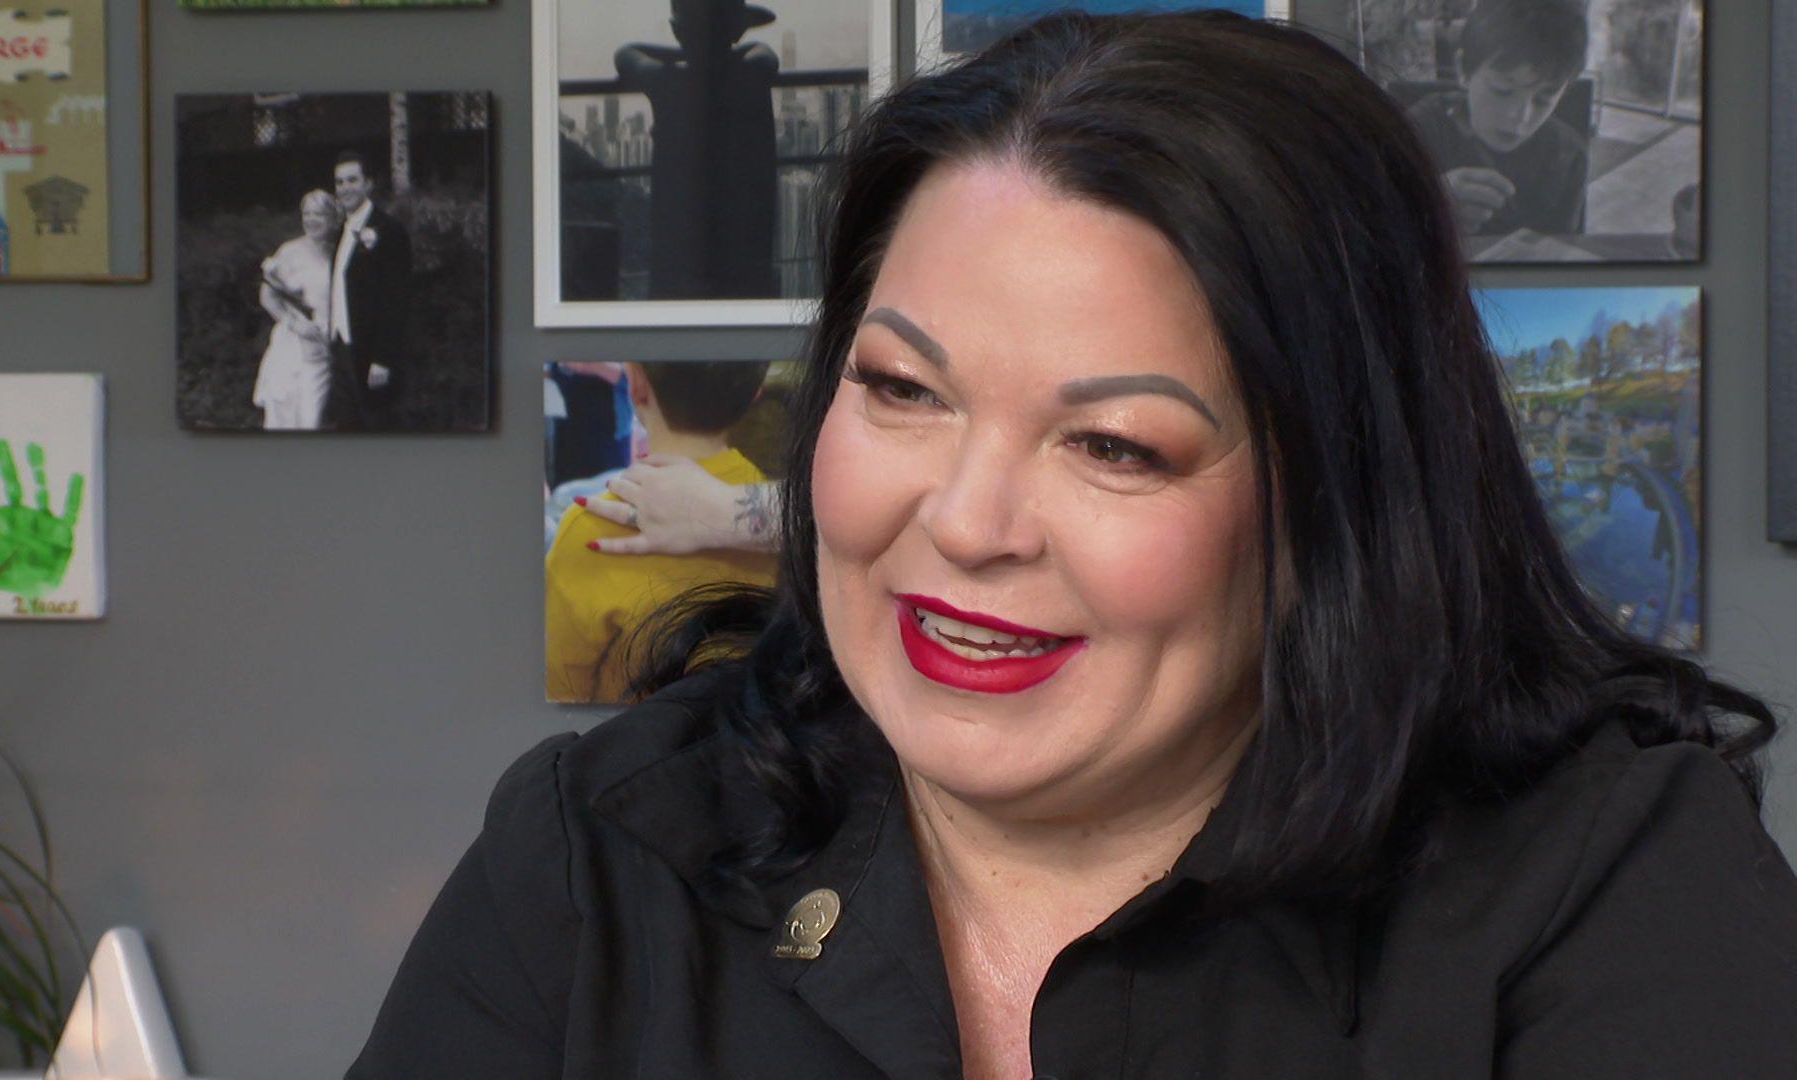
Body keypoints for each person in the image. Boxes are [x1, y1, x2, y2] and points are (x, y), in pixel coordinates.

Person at [349, 12, 1797, 1078]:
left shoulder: (1610, 885)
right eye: (904, 392)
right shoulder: (598, 857)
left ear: (1343, 498)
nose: (967, 526)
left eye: (1115, 447)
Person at [543, 361, 776, 703]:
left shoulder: (589, 526)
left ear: (636, 384)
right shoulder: (791, 521)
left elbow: (563, 690)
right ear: (755, 395)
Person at [615, 0, 781, 299]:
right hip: (744, 253)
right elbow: (766, 55)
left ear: (677, 31)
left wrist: (688, 51)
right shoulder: (752, 72)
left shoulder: (666, 81)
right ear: (737, 30)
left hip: (677, 254)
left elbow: (626, 54)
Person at [1404, 0, 1590, 240]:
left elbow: (1558, 259)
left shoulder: (1569, 157)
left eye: (1543, 100)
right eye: (1502, 90)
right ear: (1463, 70)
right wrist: (1426, 205)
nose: (1519, 117)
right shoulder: (1418, 133)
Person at [324, 150, 412, 430]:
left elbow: (396, 299)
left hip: (371, 353)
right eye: (339, 182)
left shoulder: (389, 230)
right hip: (340, 348)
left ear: (368, 184)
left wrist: (384, 359)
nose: (345, 188)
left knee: (377, 431)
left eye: (352, 180)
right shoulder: (340, 231)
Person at [250, 190, 339, 431]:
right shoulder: (289, 251)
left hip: (322, 347)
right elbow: (267, 296)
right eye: (306, 213)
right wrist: (296, 323)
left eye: (318, 214)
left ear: (332, 218)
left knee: (311, 419)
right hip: (292, 344)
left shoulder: (339, 253)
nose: (311, 219)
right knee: (283, 416)